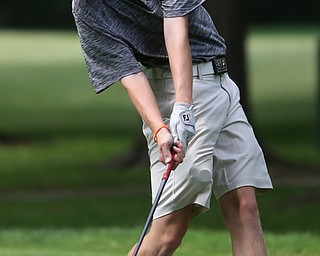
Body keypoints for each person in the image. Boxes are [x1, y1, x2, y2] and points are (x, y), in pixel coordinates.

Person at [72, 0, 273, 255]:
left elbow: (176, 27)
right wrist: (160, 129)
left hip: (220, 85)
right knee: (168, 232)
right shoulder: (86, 8)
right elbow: (128, 73)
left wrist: (184, 106)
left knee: (244, 205)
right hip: (176, 90)